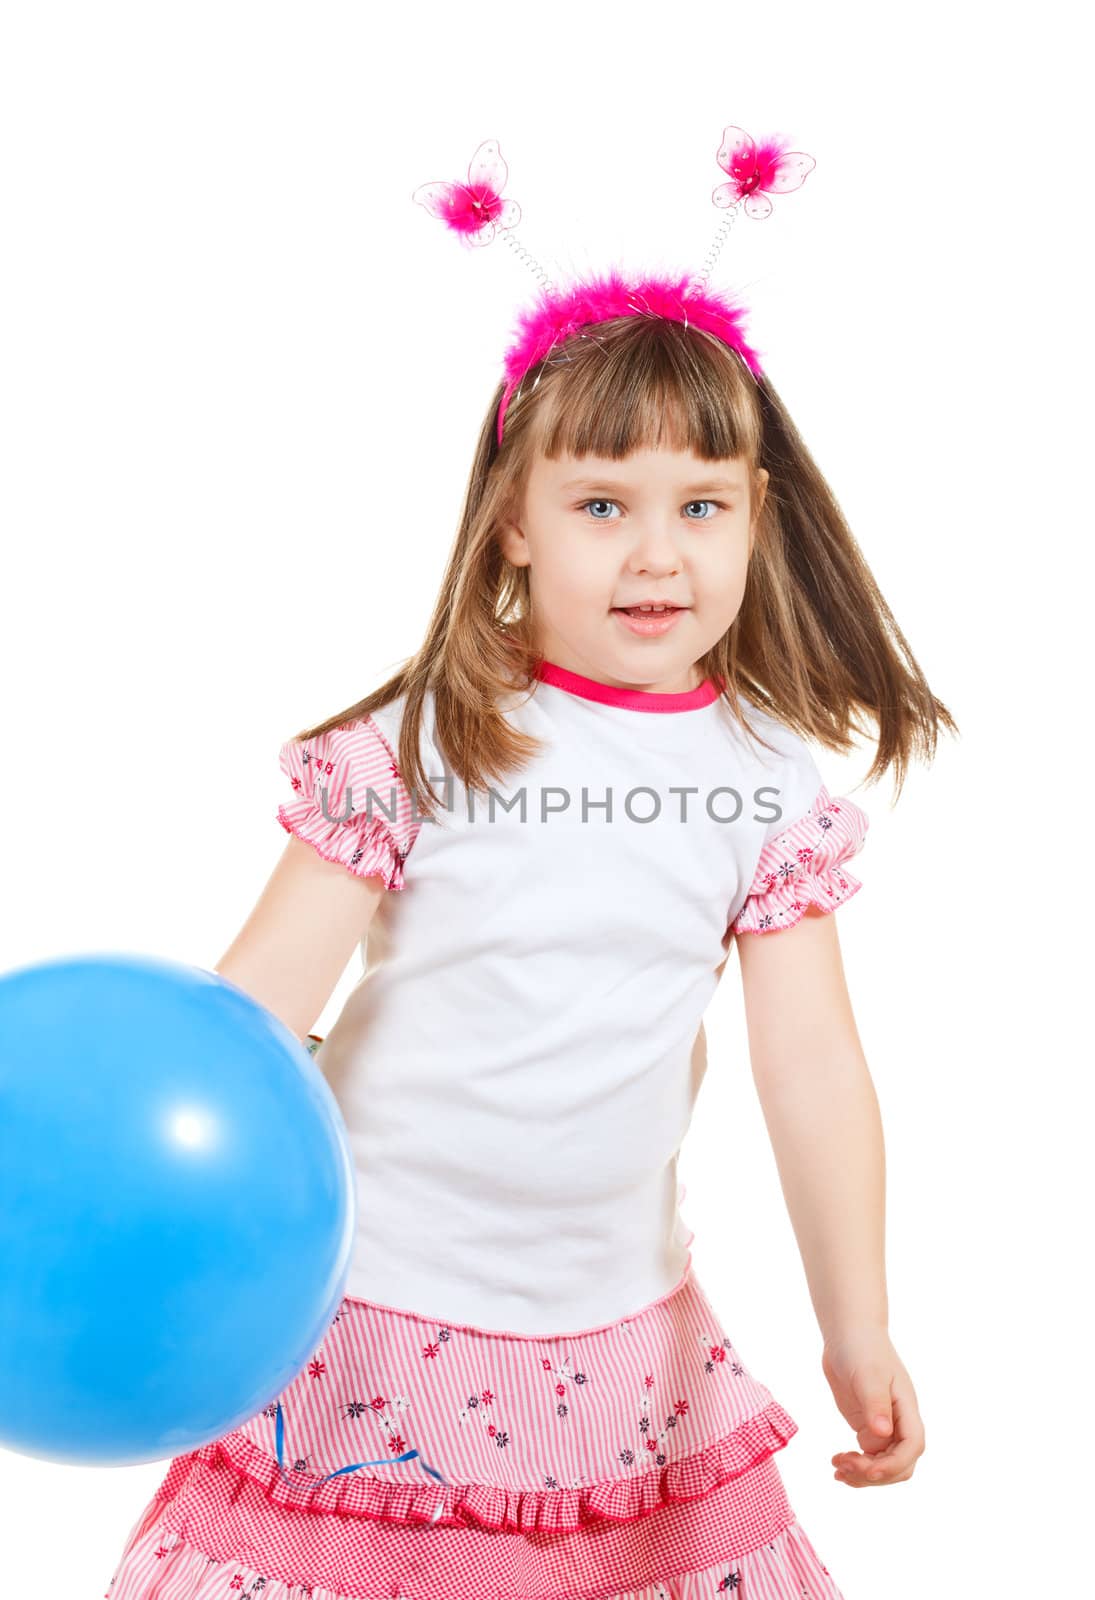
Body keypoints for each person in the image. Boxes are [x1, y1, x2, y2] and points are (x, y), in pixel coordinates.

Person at [103, 132, 949, 1600]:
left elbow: (811, 1066)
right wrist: (147, 1226)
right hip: (367, 1313)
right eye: (601, 504)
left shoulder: (761, 779)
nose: (656, 554)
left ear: (758, 515)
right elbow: (250, 1013)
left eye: (703, 506)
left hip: (616, 1337)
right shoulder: (427, 738)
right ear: (512, 520)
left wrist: (855, 1319)